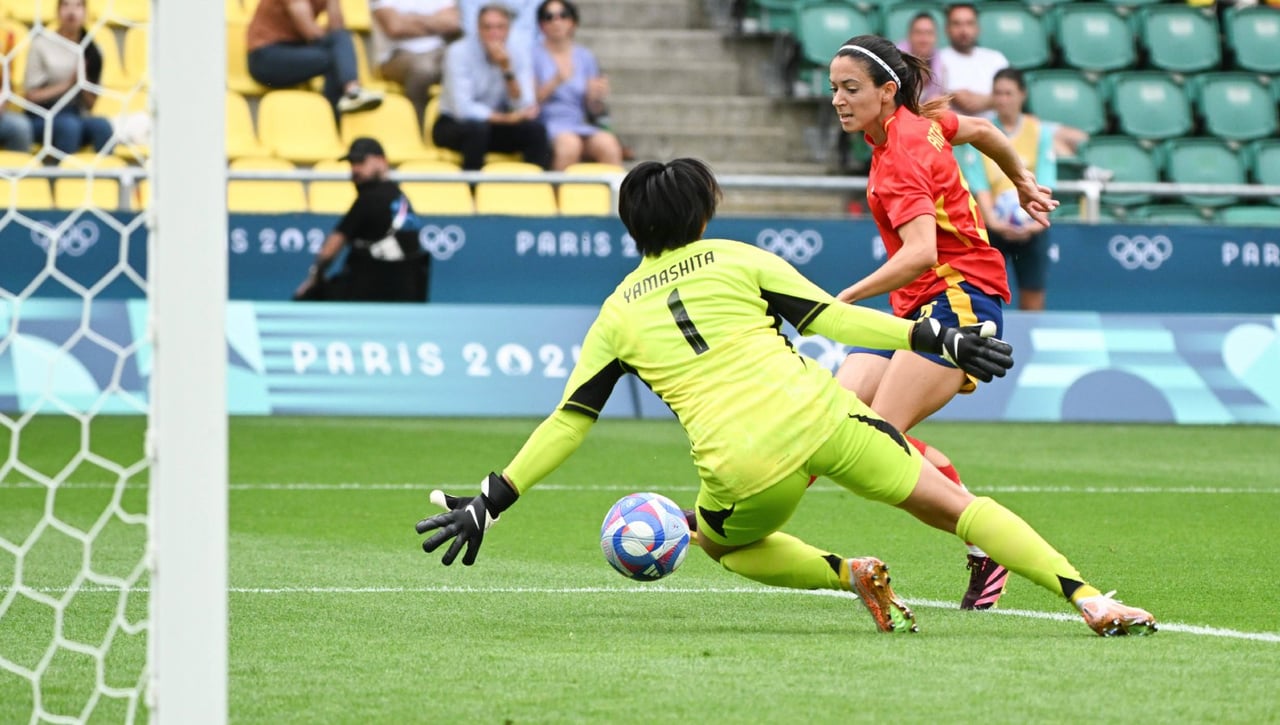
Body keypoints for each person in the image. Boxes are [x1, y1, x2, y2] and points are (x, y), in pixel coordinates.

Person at [415, 157, 1157, 639]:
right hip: (829, 418)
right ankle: (1089, 596)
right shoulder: (737, 257)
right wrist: (937, 337)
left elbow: (570, 421)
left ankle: (847, 572)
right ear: (699, 214)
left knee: (721, 543)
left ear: (633, 226)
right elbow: (834, 319)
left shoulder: (615, 314)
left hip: (744, 468)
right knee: (959, 507)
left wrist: (494, 497)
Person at [827, 36, 1049, 610]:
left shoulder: (902, 152)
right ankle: (730, 518)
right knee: (834, 416)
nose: (838, 100)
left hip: (958, 301)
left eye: (850, 89)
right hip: (916, 308)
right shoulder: (920, 125)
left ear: (887, 91)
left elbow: (922, 251)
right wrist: (1021, 180)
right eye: (834, 88)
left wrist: (844, 300)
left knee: (875, 445)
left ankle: (987, 542)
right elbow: (985, 131)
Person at [956, 68, 1055, 311]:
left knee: (1033, 296)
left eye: (1008, 93)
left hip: (1032, 222)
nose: (1002, 100)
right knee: (983, 296)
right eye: (997, 94)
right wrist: (994, 222)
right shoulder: (981, 131)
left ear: (1022, 95)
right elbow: (979, 184)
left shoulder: (1039, 132)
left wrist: (1036, 222)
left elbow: (1046, 180)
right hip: (992, 226)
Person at [293, 137, 429, 302]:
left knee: (308, 297)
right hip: (407, 295)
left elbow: (330, 250)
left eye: (360, 162)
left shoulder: (368, 199)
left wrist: (314, 276)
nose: (354, 169)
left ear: (382, 161)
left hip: (369, 294)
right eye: (352, 164)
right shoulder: (401, 198)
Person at [432, 3, 551, 170]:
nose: (494, 33)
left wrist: (507, 70)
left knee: (536, 131)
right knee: (477, 131)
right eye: (487, 27)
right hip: (453, 124)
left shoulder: (518, 51)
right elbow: (463, 109)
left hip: (496, 124)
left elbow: (524, 104)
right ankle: (472, 185)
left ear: (509, 29)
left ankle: (535, 183)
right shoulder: (459, 52)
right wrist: (506, 119)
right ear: (478, 29)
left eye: (500, 27)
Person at [246, 0, 384, 118]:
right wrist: (335, 46)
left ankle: (351, 93)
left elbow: (337, 28)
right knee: (334, 58)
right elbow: (310, 32)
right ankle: (346, 100)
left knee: (340, 40)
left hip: (295, 49)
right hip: (265, 57)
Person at [531, 0, 623, 170]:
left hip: (578, 122)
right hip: (547, 123)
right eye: (549, 17)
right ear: (541, 25)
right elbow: (529, 102)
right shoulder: (533, 55)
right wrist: (555, 81)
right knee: (570, 146)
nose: (556, 21)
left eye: (563, 15)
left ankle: (620, 189)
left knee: (609, 145)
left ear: (573, 22)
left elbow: (593, 109)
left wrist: (596, 96)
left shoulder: (585, 56)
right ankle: (556, 188)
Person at [23, 0, 113, 159]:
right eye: (66, 5)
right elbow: (31, 97)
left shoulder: (92, 50)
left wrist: (83, 82)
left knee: (103, 126)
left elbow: (91, 105)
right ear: (57, 11)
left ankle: (104, 173)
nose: (72, 11)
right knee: (69, 126)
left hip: (76, 114)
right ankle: (61, 174)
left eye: (78, 5)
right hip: (43, 116)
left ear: (86, 12)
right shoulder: (41, 44)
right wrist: (69, 84)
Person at [369, 0, 462, 124]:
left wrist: (411, 19)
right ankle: (419, 126)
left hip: (439, 52)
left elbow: (453, 23)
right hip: (397, 55)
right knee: (422, 70)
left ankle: (462, 126)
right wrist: (435, 23)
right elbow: (395, 27)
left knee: (463, 62)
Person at [936, 3, 1008, 116]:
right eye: (956, 24)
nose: (964, 30)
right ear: (947, 29)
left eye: (969, 23)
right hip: (952, 125)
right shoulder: (936, 59)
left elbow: (1014, 95)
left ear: (978, 28)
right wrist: (951, 97)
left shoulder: (996, 58)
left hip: (994, 125)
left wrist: (987, 101)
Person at [895, 12, 944, 104]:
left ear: (936, 37)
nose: (924, 39)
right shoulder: (895, 63)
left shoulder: (942, 64)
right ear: (909, 36)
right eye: (918, 33)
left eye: (929, 33)